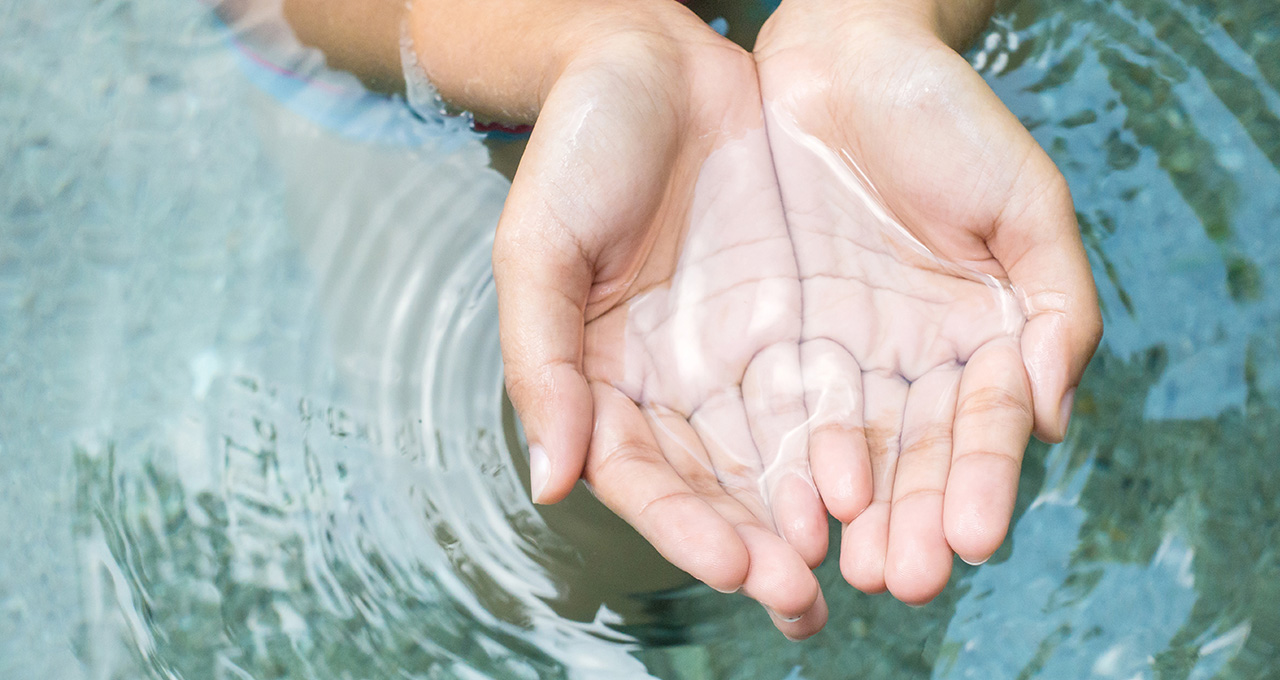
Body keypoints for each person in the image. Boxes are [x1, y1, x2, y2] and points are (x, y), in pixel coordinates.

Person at [231, 0, 1103, 640]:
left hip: (825, 57)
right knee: (566, 557)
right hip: (423, 38)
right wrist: (585, 41)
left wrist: (886, 21)